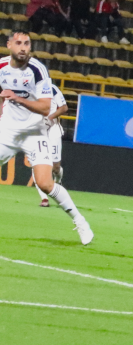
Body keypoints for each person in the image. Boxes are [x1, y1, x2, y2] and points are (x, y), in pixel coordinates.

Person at [0, 33, 93, 243]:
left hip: (34, 132)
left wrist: (15, 98)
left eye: (27, 44)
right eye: (19, 43)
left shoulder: (38, 70)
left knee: (45, 183)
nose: (23, 48)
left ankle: (80, 222)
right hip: (7, 131)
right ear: (9, 45)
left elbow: (44, 107)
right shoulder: (1, 67)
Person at [34, 83, 69, 208]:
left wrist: (50, 117)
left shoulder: (52, 89)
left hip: (53, 130)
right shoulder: (28, 89)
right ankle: (44, 198)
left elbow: (64, 108)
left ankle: (58, 182)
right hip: (37, 131)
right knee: (37, 164)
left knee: (55, 167)